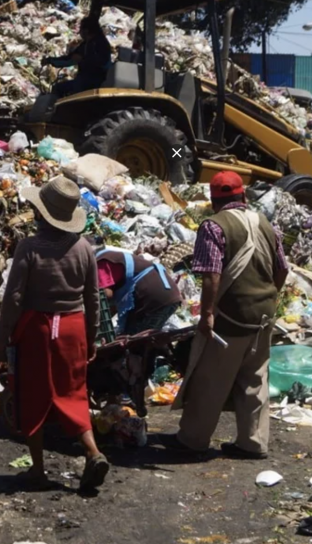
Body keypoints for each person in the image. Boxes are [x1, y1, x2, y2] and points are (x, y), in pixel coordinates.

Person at [0, 177, 109, 491]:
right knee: (73, 393)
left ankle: (39, 470)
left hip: (38, 329)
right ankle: (93, 452)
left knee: (33, 395)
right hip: (72, 328)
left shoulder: (29, 247)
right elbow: (92, 298)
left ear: (42, 213)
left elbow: (14, 298)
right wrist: (92, 336)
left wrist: (1, 342)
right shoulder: (84, 248)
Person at [163, 171, 288, 459]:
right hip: (264, 316)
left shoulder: (214, 226)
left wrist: (207, 314)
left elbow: (211, 276)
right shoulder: (265, 223)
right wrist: (268, 295)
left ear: (213, 201)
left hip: (231, 318)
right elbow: (282, 270)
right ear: (243, 196)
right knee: (255, 378)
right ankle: (253, 442)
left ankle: (193, 439)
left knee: (211, 379)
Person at [96, 248, 182, 335]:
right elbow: (110, 305)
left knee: (135, 340)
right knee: (141, 337)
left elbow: (105, 295)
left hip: (155, 298)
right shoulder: (110, 256)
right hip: (169, 295)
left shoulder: (101, 262)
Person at [44, 16, 112, 98]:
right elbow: (72, 58)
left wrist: (83, 60)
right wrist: (51, 60)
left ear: (86, 30)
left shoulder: (97, 44)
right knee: (60, 87)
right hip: (87, 80)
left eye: (81, 29)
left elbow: (103, 63)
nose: (79, 32)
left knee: (59, 89)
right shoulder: (89, 43)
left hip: (91, 83)